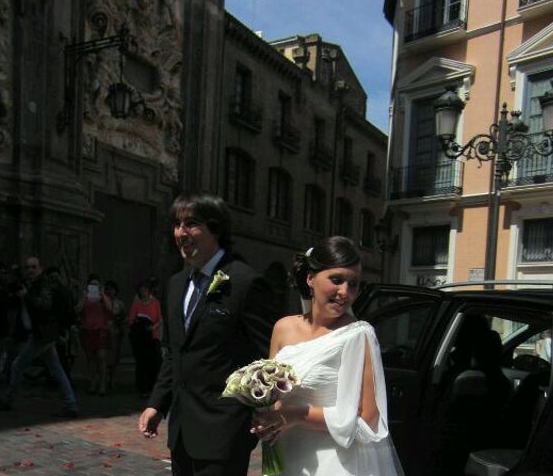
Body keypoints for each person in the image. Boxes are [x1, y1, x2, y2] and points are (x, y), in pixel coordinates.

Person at [137, 193, 279, 476]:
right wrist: (157, 404)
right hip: (182, 432)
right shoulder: (176, 284)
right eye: (177, 224)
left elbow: (269, 358)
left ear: (215, 229)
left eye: (191, 224)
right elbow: (174, 352)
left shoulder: (245, 282)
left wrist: (259, 413)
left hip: (225, 432)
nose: (181, 233)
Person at [252, 236, 404, 476]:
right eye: (337, 280)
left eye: (353, 284)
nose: (345, 292)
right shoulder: (283, 328)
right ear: (310, 278)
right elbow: (273, 395)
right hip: (289, 455)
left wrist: (296, 414)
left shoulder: (358, 335)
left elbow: (368, 419)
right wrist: (266, 418)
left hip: (335, 462)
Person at [0, 256, 79, 417]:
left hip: (44, 334)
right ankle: (70, 404)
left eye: (33, 267)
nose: (30, 270)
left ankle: (8, 399)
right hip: (42, 333)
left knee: (17, 365)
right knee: (56, 368)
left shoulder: (44, 285)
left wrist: (25, 296)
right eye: (27, 267)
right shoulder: (32, 284)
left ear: (40, 268)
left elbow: (42, 305)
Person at [76, 274, 112, 396]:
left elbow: (110, 308)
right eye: (92, 285)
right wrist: (84, 296)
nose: (93, 287)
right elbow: (77, 309)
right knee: (90, 359)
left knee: (101, 357)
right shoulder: (85, 297)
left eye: (96, 285)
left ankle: (102, 384)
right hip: (87, 330)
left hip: (101, 330)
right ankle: (92, 382)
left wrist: (102, 294)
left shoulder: (103, 297)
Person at [128, 279, 162, 397]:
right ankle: (142, 388)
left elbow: (159, 319)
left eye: (145, 289)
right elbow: (131, 320)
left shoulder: (155, 303)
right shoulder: (136, 304)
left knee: (153, 363)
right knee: (141, 364)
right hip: (141, 338)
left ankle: (153, 388)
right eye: (141, 290)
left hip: (152, 337)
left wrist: (153, 327)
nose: (143, 292)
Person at [104, 280, 126, 389]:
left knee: (114, 356)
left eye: (112, 289)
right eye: (108, 289)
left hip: (116, 331)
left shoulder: (119, 303)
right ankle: (106, 377)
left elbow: (122, 317)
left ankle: (112, 378)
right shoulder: (102, 302)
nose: (110, 292)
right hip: (104, 331)